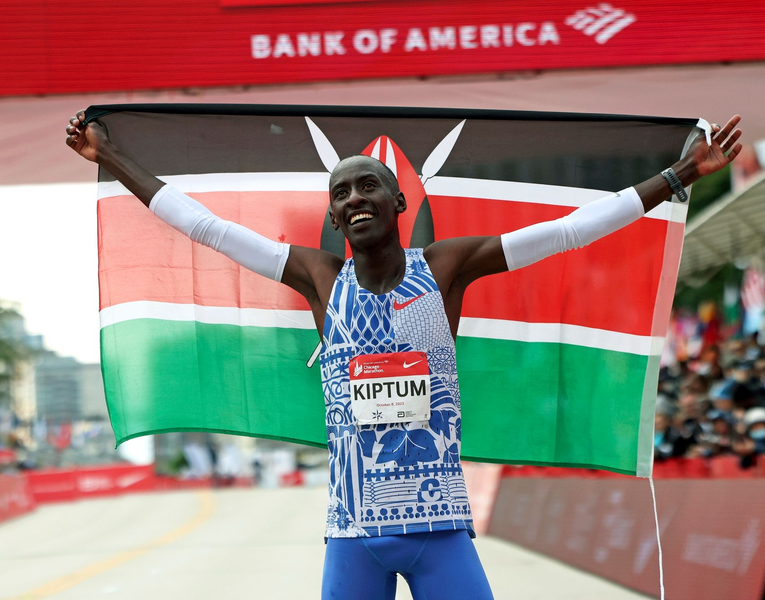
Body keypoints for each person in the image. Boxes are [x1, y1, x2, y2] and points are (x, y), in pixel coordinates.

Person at [66, 110, 742, 600]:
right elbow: (204, 226)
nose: (353, 197)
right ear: (334, 218)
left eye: (367, 187)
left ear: (398, 202)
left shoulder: (445, 267)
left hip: (438, 529)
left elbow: (565, 233)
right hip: (352, 532)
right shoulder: (319, 278)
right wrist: (111, 160)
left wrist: (678, 175)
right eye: (340, 193)